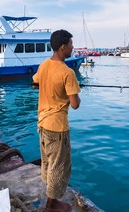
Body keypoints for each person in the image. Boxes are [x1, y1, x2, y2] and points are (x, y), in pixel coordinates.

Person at [32, 29, 81, 212]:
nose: (72, 48)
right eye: (70, 45)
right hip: (57, 127)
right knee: (59, 166)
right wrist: (73, 94)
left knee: (47, 161)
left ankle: (49, 194)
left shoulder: (44, 65)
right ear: (63, 47)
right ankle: (52, 204)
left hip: (42, 123)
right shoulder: (67, 73)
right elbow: (75, 104)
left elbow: (35, 83)